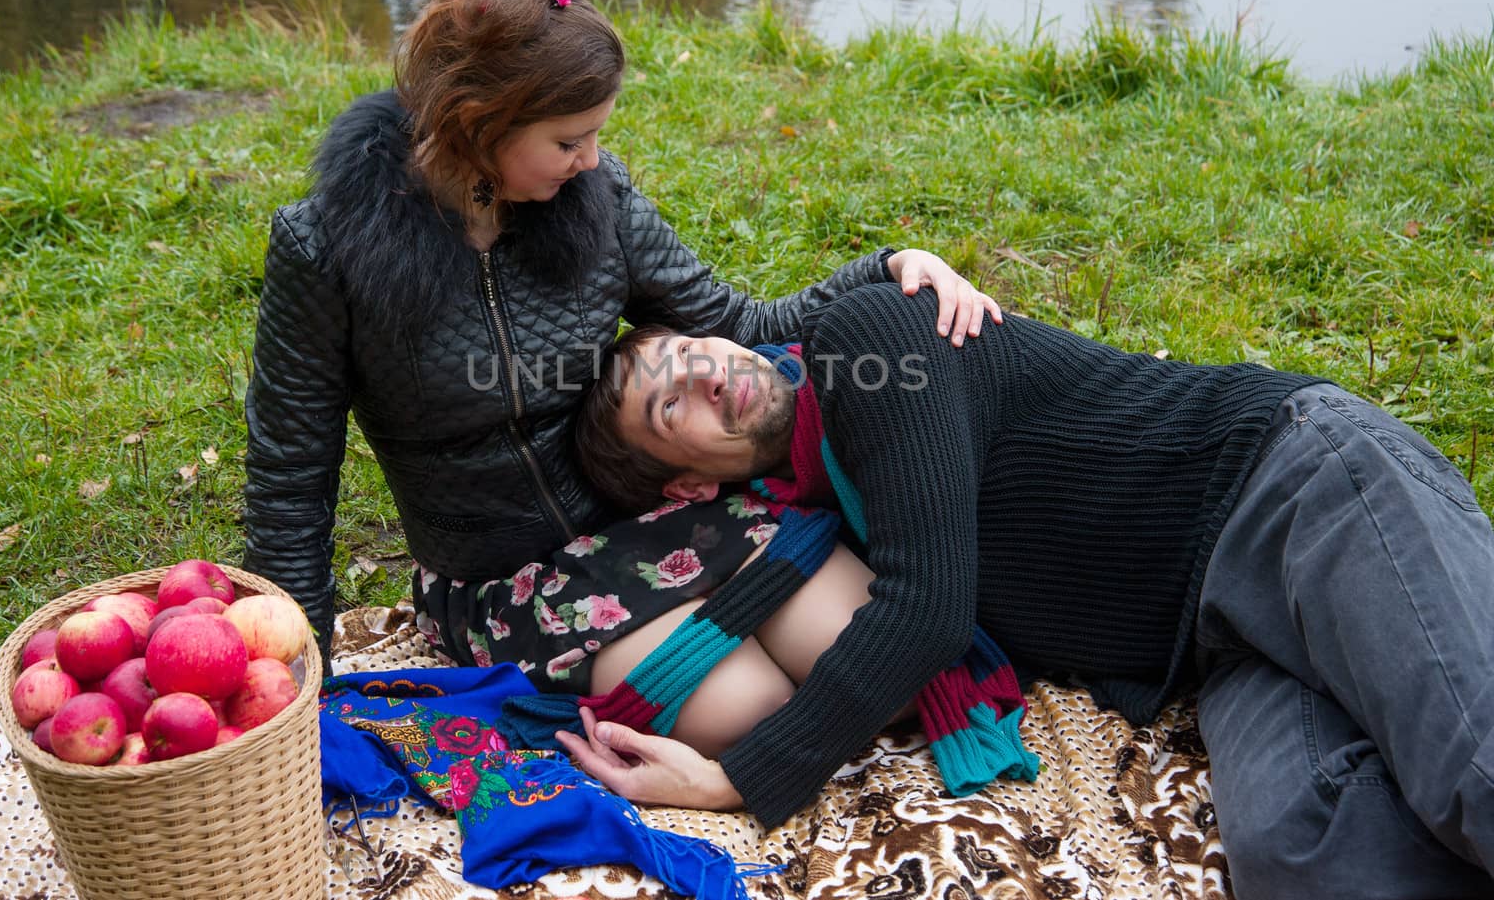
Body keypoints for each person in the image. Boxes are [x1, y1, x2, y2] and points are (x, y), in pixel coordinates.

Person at [566, 282, 1494, 900]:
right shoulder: (811, 518)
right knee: (1310, 854)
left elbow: (924, 611)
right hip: (1215, 645)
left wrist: (737, 777)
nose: (701, 369)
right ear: (686, 489)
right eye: (668, 403)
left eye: (687, 345)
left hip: (1296, 490)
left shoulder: (863, 344)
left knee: (1474, 765)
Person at [240, 0, 1001, 694]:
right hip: (501, 581)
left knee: (894, 673)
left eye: (597, 134)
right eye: (569, 142)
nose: (591, 160)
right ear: (477, 124)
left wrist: (889, 266)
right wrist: (297, 674)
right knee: (750, 706)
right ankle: (706, 653)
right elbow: (291, 477)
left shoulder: (598, 200)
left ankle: (717, 624)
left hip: (652, 524)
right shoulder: (325, 250)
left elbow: (736, 320)